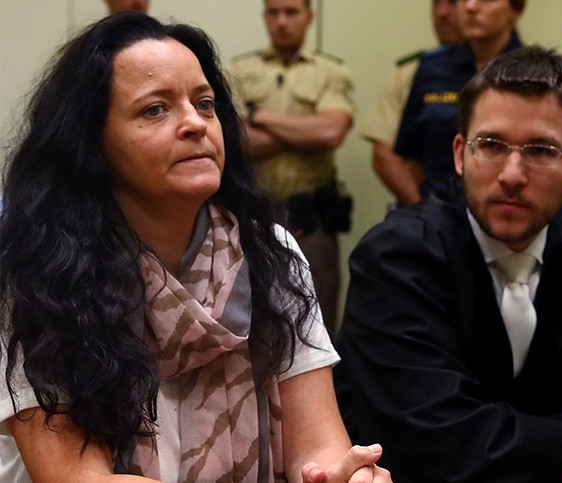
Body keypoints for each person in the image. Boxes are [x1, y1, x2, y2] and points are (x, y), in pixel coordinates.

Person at [0, 12, 389, 483]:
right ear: (93, 145)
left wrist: (345, 474)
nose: (194, 124)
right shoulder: (40, 269)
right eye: (155, 109)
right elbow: (76, 477)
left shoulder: (270, 250)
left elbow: (319, 445)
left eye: (205, 104)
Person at [334, 46, 562, 483]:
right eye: (491, 145)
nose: (512, 173)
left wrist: (500, 444)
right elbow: (433, 440)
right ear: (459, 155)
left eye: (541, 150)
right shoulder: (398, 257)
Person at [228, 0, 355, 336]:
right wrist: (303, 131)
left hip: (311, 223)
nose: (282, 21)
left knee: (318, 329)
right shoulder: (239, 70)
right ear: (265, 17)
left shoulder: (331, 71)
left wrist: (260, 118)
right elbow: (235, 141)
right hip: (252, 220)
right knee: (250, 325)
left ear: (309, 17)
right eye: (274, 12)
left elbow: (330, 133)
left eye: (292, 12)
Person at [392, 0, 525, 200]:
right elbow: (410, 155)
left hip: (509, 208)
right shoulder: (432, 68)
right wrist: (423, 210)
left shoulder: (535, 73)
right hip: (440, 212)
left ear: (515, 9)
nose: (470, 7)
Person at [363, 0, 464, 208]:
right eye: (436, 3)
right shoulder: (412, 72)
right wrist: (425, 212)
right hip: (430, 209)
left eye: (453, 2)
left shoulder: (508, 71)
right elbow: (385, 155)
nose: (442, 13)